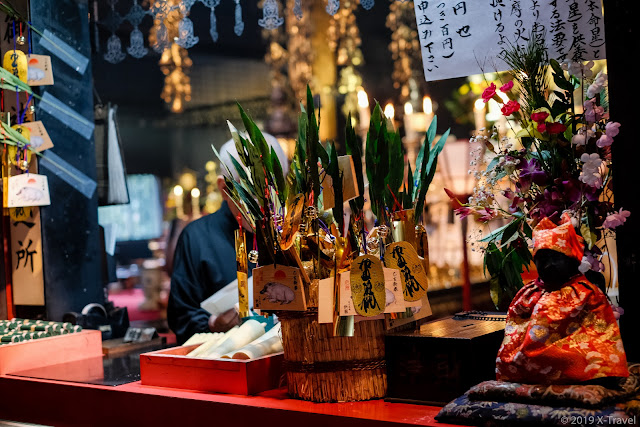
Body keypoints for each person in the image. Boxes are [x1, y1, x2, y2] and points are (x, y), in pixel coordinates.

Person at [167, 134, 289, 345]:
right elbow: (180, 317)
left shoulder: (290, 231)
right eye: (254, 189)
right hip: (230, 361)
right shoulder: (197, 238)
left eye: (275, 187)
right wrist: (213, 323)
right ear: (224, 188)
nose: (266, 199)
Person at [496, 212, 629, 385]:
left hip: (575, 361)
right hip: (529, 362)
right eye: (542, 259)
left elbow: (601, 337)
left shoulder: (586, 293)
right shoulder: (527, 294)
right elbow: (513, 336)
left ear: (573, 261)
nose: (549, 265)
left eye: (557, 258)